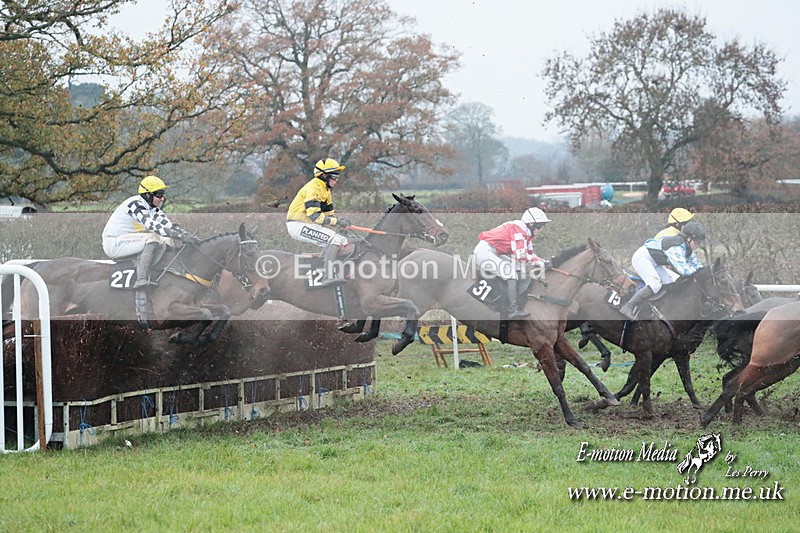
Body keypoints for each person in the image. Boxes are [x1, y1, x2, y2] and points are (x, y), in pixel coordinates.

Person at [102, 175, 198, 289]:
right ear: (148, 194)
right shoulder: (135, 204)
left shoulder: (153, 208)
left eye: (163, 194)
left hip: (129, 241)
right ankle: (141, 278)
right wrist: (180, 236)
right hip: (114, 243)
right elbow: (152, 225)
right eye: (159, 194)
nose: (162, 198)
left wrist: (187, 235)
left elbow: (169, 225)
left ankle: (166, 270)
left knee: (166, 239)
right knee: (153, 238)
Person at [474, 207, 551, 319]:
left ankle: (515, 300)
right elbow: (521, 256)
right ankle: (511, 310)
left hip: (493, 251)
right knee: (511, 273)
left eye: (542, 226)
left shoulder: (527, 233)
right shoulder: (519, 231)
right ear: (531, 223)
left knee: (518, 269)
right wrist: (541, 263)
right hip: (484, 252)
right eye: (539, 226)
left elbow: (530, 253)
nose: (540, 229)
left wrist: (543, 261)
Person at [619, 221, 707, 320]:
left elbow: (697, 265)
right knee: (655, 284)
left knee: (673, 281)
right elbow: (683, 270)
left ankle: (658, 307)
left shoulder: (687, 248)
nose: (698, 245)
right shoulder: (676, 246)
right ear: (689, 238)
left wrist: (706, 273)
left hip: (655, 262)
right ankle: (628, 306)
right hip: (642, 258)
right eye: (697, 242)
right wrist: (699, 274)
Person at [286, 158, 351, 287]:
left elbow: (328, 216)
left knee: (342, 240)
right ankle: (327, 277)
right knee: (335, 240)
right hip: (297, 225)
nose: (336, 180)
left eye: (337, 176)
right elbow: (314, 216)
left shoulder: (326, 191)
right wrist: (337, 221)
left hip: (309, 223)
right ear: (324, 175)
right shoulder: (313, 188)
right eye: (334, 176)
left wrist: (340, 225)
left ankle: (328, 268)